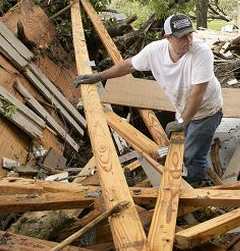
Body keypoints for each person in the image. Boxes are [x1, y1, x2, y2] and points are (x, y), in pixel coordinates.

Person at [73, 13, 223, 185]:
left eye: (190, 34)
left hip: (207, 111)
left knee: (193, 154)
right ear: (168, 37)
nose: (188, 40)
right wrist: (98, 76)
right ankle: (190, 176)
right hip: (184, 109)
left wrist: (182, 121)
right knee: (182, 148)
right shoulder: (155, 51)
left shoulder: (201, 52)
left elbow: (198, 92)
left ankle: (198, 186)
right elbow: (129, 65)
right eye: (182, 37)